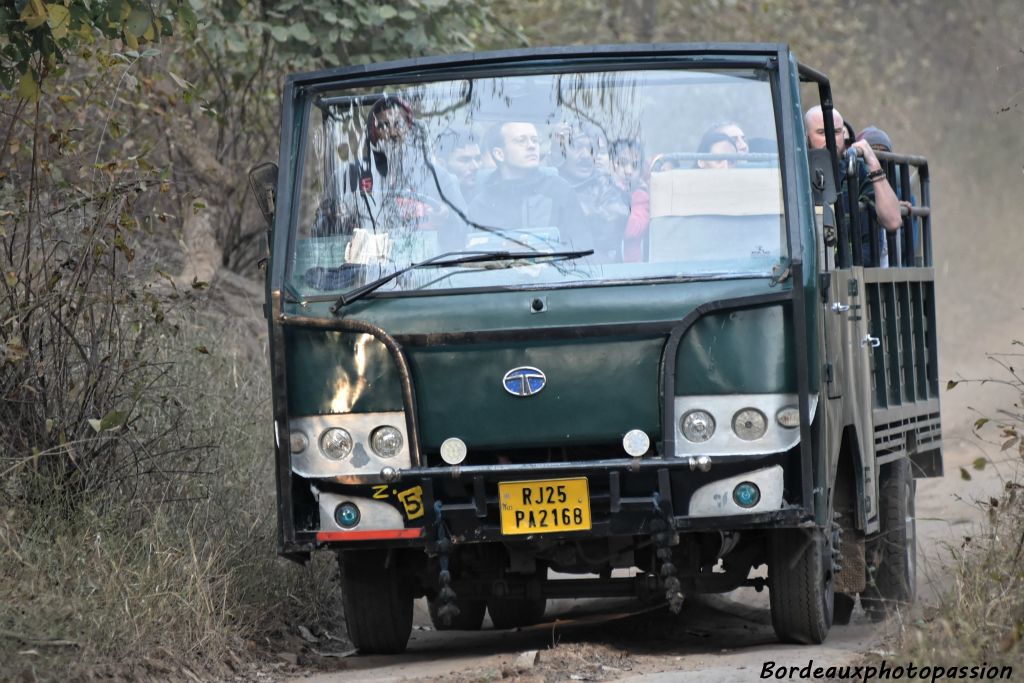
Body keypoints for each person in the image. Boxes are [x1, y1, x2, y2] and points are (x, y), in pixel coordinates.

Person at [804, 105, 901, 267]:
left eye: (835, 132)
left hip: (853, 276)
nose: (830, 139)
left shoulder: (857, 172)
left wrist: (872, 160)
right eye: (821, 133)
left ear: (843, 135)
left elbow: (892, 221)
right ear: (806, 137)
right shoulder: (797, 174)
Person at [468, 121, 587, 247]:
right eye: (521, 140)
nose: (532, 146)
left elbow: (581, 248)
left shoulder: (559, 191)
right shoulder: (481, 204)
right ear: (499, 154)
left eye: (535, 140)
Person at [554, 124, 629, 262]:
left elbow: (614, 222)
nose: (586, 156)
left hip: (602, 274)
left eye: (591, 148)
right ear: (561, 152)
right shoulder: (550, 185)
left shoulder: (604, 184)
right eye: (577, 147)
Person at [610, 138, 649, 263]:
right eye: (622, 163)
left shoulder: (641, 196)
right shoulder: (599, 190)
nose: (628, 171)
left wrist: (618, 191)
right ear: (610, 165)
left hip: (629, 272)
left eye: (635, 166)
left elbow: (632, 230)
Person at [435, 128, 483, 201]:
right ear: (441, 165)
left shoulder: (486, 196)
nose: (475, 167)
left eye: (478, 159)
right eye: (465, 160)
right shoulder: (426, 200)